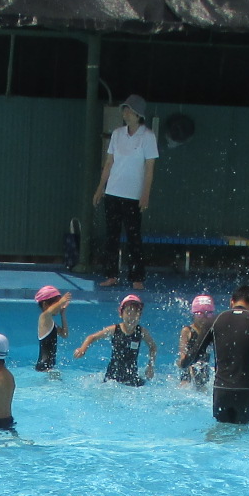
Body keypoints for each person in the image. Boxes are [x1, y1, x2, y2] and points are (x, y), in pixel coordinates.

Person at [178, 283, 249, 425]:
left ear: (231, 301)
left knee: (219, 434)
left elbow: (193, 357)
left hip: (221, 391)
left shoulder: (214, 321)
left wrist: (183, 362)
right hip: (247, 391)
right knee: (243, 436)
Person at [93, 96, 157, 290]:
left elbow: (149, 168)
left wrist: (145, 194)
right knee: (112, 235)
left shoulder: (147, 137)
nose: (125, 113)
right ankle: (111, 274)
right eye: (124, 109)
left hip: (133, 195)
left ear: (138, 115)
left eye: (128, 110)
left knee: (133, 236)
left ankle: (137, 277)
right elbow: (109, 163)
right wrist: (100, 188)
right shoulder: (117, 134)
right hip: (113, 192)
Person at [74, 295, 157, 386]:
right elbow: (92, 337)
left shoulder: (141, 332)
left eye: (135, 313)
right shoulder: (114, 329)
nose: (131, 317)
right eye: (128, 312)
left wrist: (150, 366)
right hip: (113, 375)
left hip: (131, 375)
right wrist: (83, 349)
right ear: (121, 313)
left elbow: (153, 347)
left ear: (140, 315)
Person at [179, 294, 216, 386]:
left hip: (204, 372)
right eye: (200, 314)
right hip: (188, 372)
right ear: (194, 314)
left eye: (209, 314)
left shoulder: (212, 332)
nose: (204, 318)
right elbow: (182, 357)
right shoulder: (187, 331)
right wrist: (188, 368)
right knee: (185, 386)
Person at [35, 286, 72, 372]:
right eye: (57, 305)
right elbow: (48, 312)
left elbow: (65, 334)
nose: (59, 308)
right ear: (45, 305)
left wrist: (62, 314)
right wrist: (61, 301)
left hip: (49, 367)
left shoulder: (51, 323)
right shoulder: (43, 318)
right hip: (44, 368)